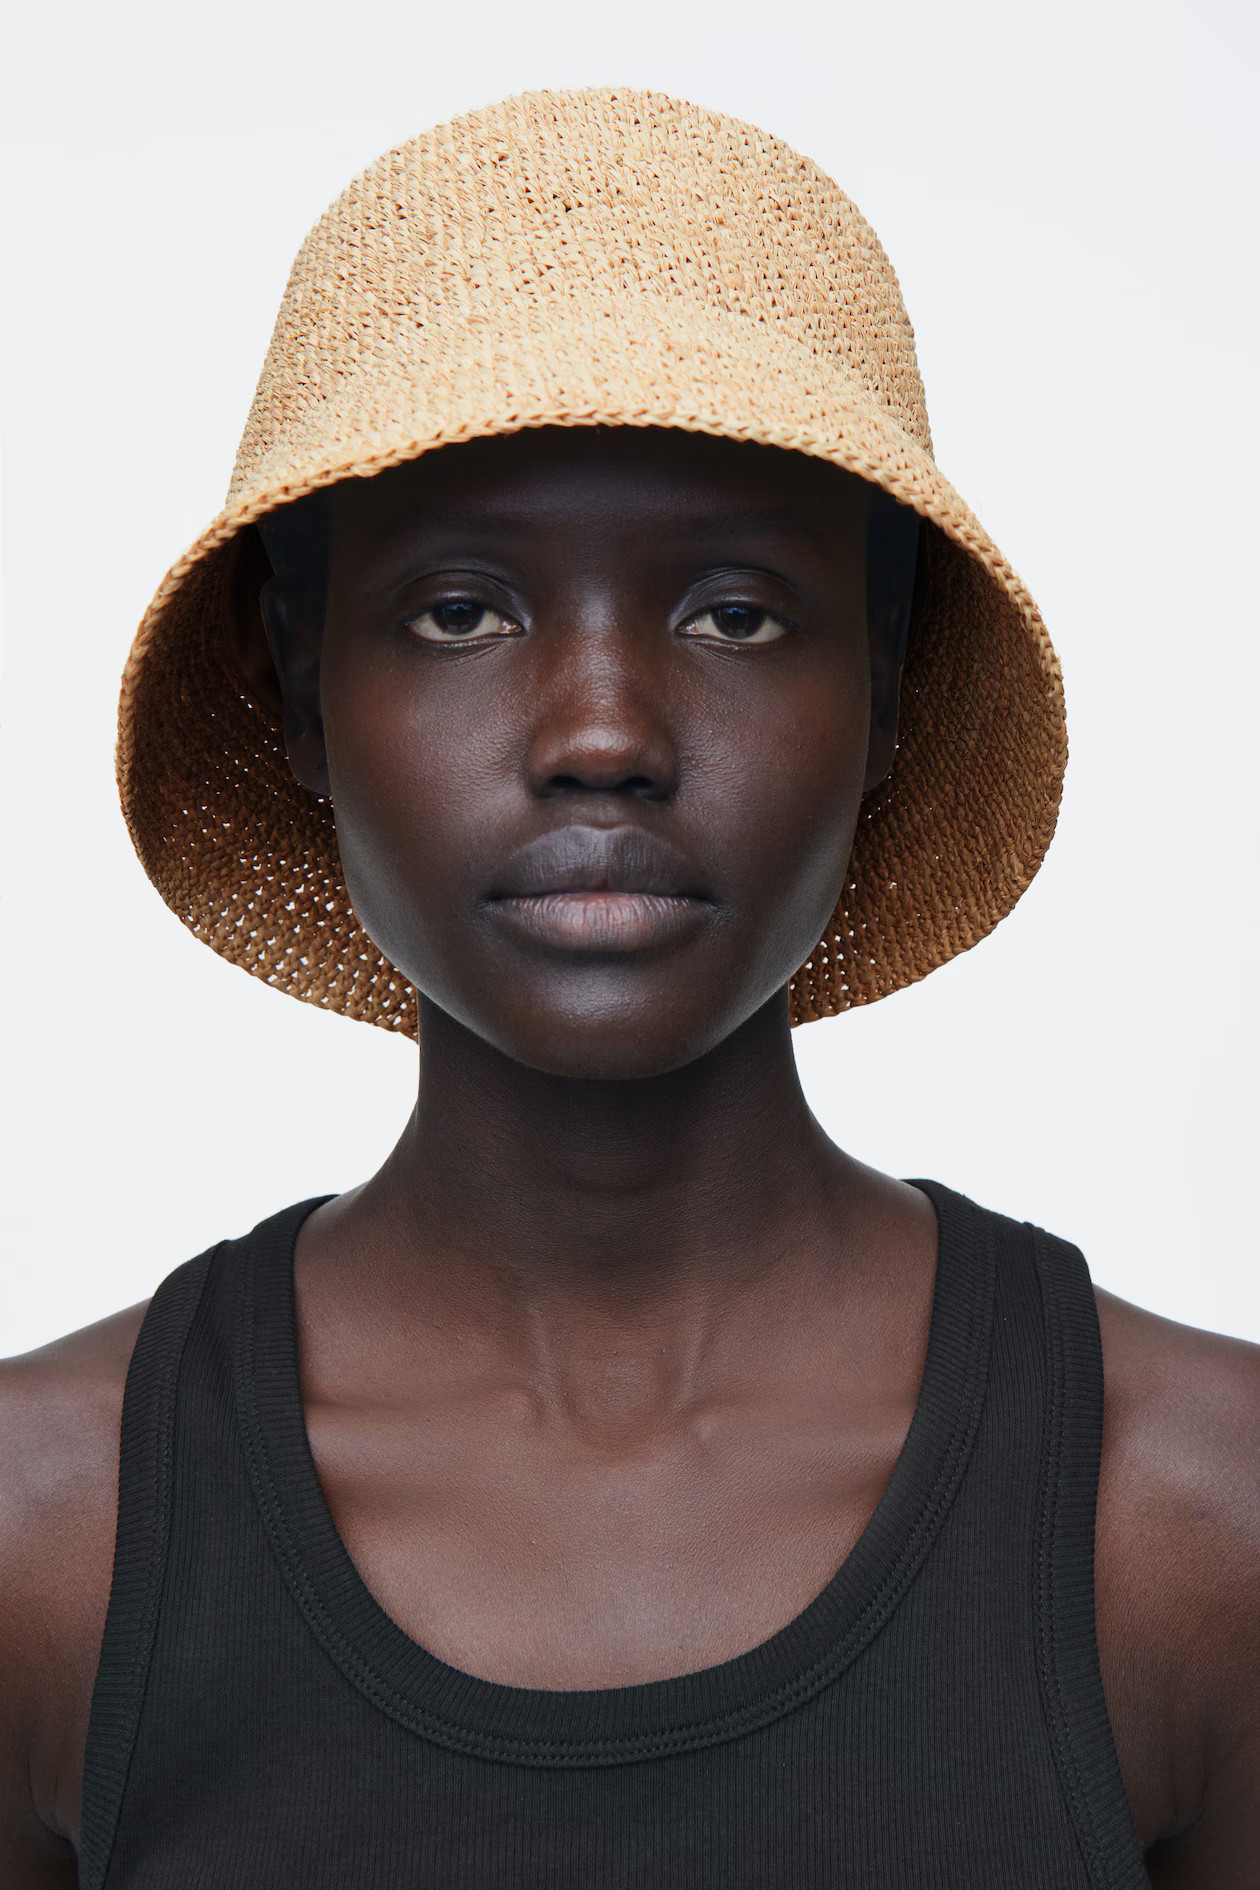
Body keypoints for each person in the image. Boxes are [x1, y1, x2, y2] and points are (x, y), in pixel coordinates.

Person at [0, 87, 1256, 1890]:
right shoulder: (56, 1538)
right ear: (295, 692)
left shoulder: (1196, 1521)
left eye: (737, 612)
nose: (602, 735)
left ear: (889, 691)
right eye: (459, 611)